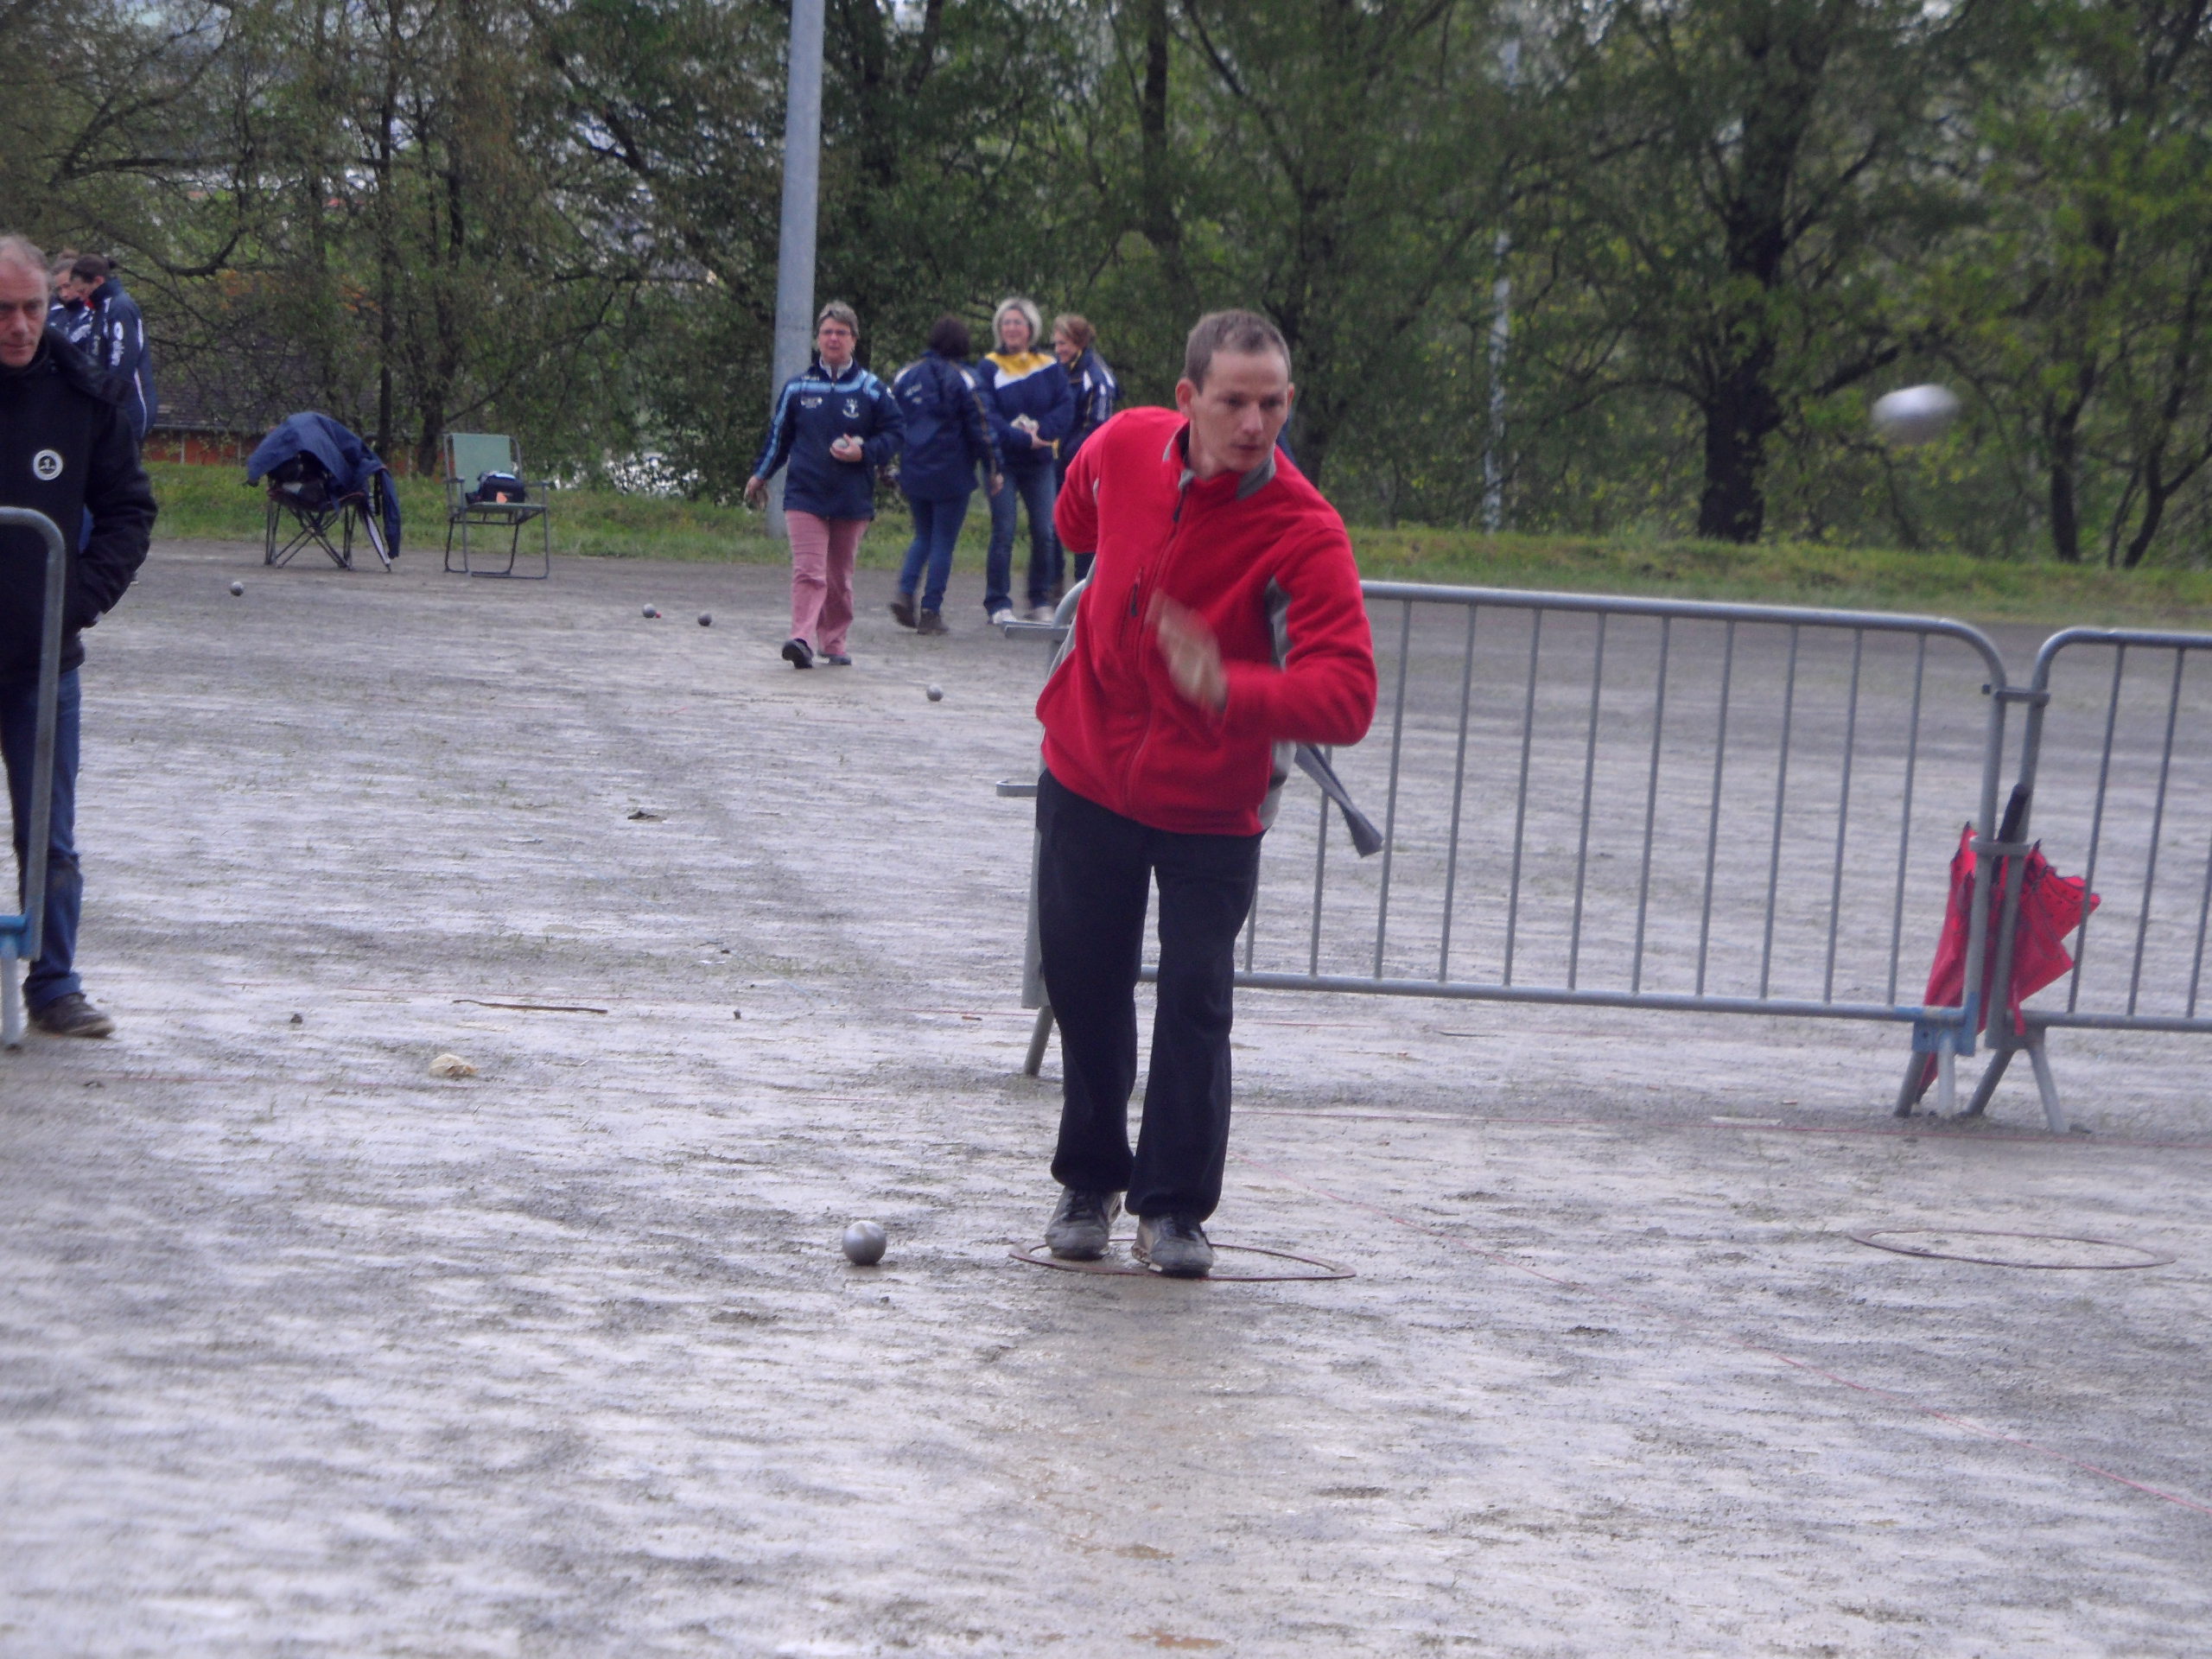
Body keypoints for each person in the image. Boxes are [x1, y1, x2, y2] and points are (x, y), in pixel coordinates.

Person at [1034, 309, 1376, 1276]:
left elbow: (1348, 696)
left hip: (1211, 804)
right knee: (1085, 985)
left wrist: (1231, 688)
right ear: (1187, 399)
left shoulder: (1303, 528)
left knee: (1196, 1001)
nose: (1254, 424)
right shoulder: (1126, 440)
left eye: (1272, 404)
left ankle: (1175, 1208)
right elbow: (1074, 514)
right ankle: (1089, 1182)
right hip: (1088, 769)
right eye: (1232, 401)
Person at [0, 233, 157, 1038]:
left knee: (50, 838)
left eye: (32, 307)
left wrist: (77, 597)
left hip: (39, 661)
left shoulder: (84, 393)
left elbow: (130, 511)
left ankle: (55, 984)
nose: (21, 326)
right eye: (3, 310)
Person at [746, 302, 904, 669]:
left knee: (838, 578)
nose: (834, 339)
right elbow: (778, 438)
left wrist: (864, 452)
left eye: (842, 333)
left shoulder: (871, 389)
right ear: (818, 339)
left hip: (852, 496)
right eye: (828, 332)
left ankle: (833, 641)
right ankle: (801, 638)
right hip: (805, 494)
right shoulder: (798, 388)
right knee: (809, 571)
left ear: (853, 340)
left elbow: (895, 433)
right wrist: (760, 474)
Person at [888, 315, 1001, 635]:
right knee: (943, 543)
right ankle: (930, 611)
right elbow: (982, 428)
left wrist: (888, 463)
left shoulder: (906, 376)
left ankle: (905, 590)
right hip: (952, 472)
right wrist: (994, 467)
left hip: (914, 467)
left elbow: (891, 420)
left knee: (922, 536)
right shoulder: (967, 379)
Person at [974, 296, 1071, 625]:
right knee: (1004, 529)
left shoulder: (1048, 365)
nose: (1012, 328)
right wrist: (1020, 437)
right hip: (1002, 461)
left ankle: (1039, 597)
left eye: (1018, 322)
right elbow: (986, 413)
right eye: (1006, 323)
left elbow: (1064, 406)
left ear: (1030, 328)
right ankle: (998, 602)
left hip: (1040, 460)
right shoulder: (988, 366)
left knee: (1045, 528)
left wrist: (1043, 432)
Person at [1050, 314, 1116, 588]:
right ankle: (1052, 585)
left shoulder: (1096, 376)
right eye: (1055, 344)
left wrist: (1067, 452)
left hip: (1084, 463)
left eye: (1062, 344)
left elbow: (1096, 427)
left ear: (1078, 342)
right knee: (1052, 522)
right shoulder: (1059, 369)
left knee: (1084, 523)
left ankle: (1084, 589)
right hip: (1055, 459)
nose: (1057, 350)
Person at [69, 255, 156, 442]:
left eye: (83, 291)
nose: (82, 298)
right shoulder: (99, 310)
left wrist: (106, 408)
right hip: (109, 408)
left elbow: (122, 363)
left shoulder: (120, 307)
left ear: (98, 281)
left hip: (129, 409)